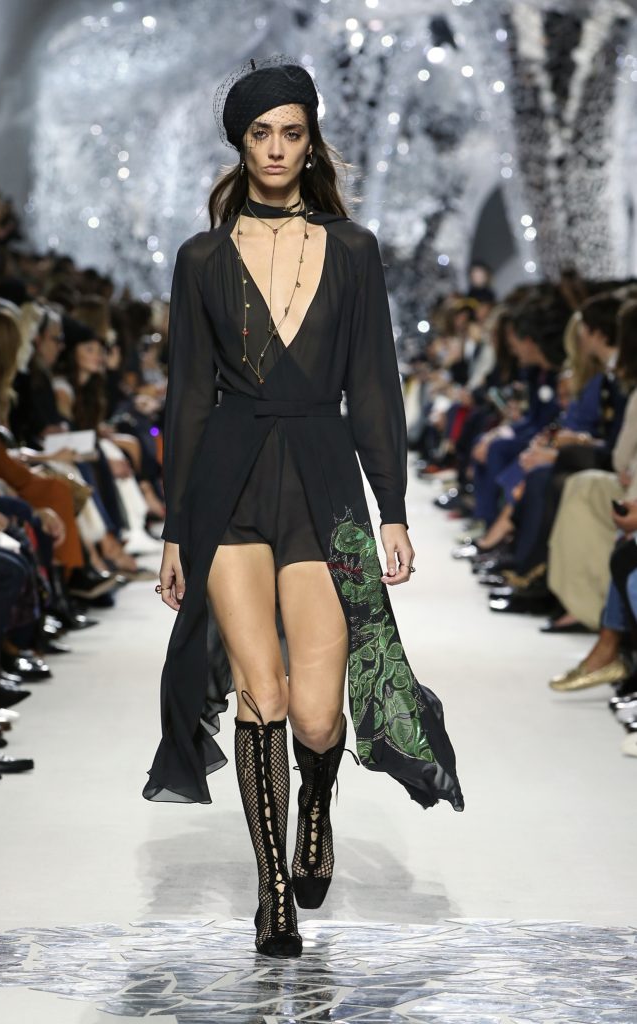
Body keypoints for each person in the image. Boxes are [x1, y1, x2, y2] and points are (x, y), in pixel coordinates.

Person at [143, 56, 464, 960]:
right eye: (262, 134)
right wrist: (176, 530)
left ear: (311, 140)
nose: (278, 148)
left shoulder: (353, 250)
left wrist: (392, 507)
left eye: (292, 132)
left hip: (324, 478)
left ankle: (315, 805)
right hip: (230, 485)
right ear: (240, 143)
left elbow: (375, 384)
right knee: (263, 694)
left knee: (320, 716)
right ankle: (271, 891)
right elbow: (186, 399)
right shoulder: (202, 259)